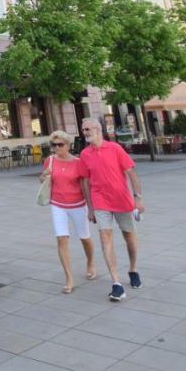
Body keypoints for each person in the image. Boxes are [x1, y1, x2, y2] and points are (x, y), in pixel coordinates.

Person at [79, 117, 143, 302]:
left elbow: (130, 172)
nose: (85, 132)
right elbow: (84, 181)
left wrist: (138, 198)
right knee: (105, 237)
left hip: (122, 200)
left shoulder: (115, 148)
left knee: (129, 236)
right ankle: (116, 283)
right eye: (83, 130)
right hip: (100, 202)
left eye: (88, 129)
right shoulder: (85, 154)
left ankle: (133, 269)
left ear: (98, 129)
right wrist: (90, 207)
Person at [41, 130, 96, 294]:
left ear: (68, 145)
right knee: (61, 239)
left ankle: (91, 262)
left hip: (78, 204)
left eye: (60, 144)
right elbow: (42, 180)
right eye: (54, 145)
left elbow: (85, 185)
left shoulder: (79, 162)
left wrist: (91, 208)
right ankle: (69, 278)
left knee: (85, 238)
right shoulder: (49, 161)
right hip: (57, 204)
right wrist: (44, 176)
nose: (56, 148)